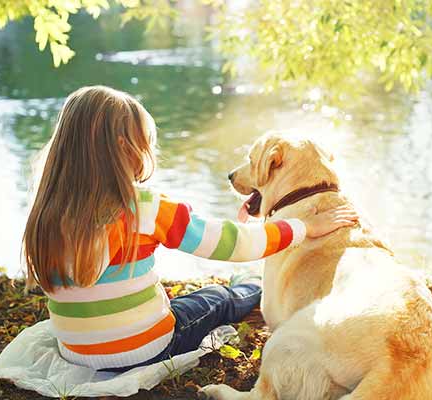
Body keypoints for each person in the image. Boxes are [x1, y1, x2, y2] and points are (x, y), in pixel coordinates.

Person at [22, 85, 359, 372]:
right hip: (146, 350)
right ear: (126, 150)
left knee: (169, 299)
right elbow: (232, 244)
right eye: (146, 144)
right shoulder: (144, 207)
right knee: (217, 299)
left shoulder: (46, 210)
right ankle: (250, 287)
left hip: (75, 352)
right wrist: (302, 227)